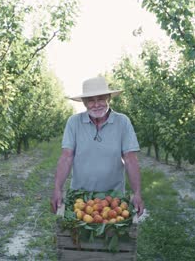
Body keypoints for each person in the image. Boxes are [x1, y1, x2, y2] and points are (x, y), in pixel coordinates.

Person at [50, 76, 145, 216]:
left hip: (113, 198)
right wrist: (57, 189)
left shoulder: (122, 122)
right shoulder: (74, 123)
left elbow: (130, 160)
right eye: (91, 100)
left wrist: (137, 193)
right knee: (77, 236)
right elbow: (66, 157)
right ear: (84, 103)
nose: (96, 105)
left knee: (113, 234)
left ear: (108, 98)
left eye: (100, 99)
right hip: (81, 198)